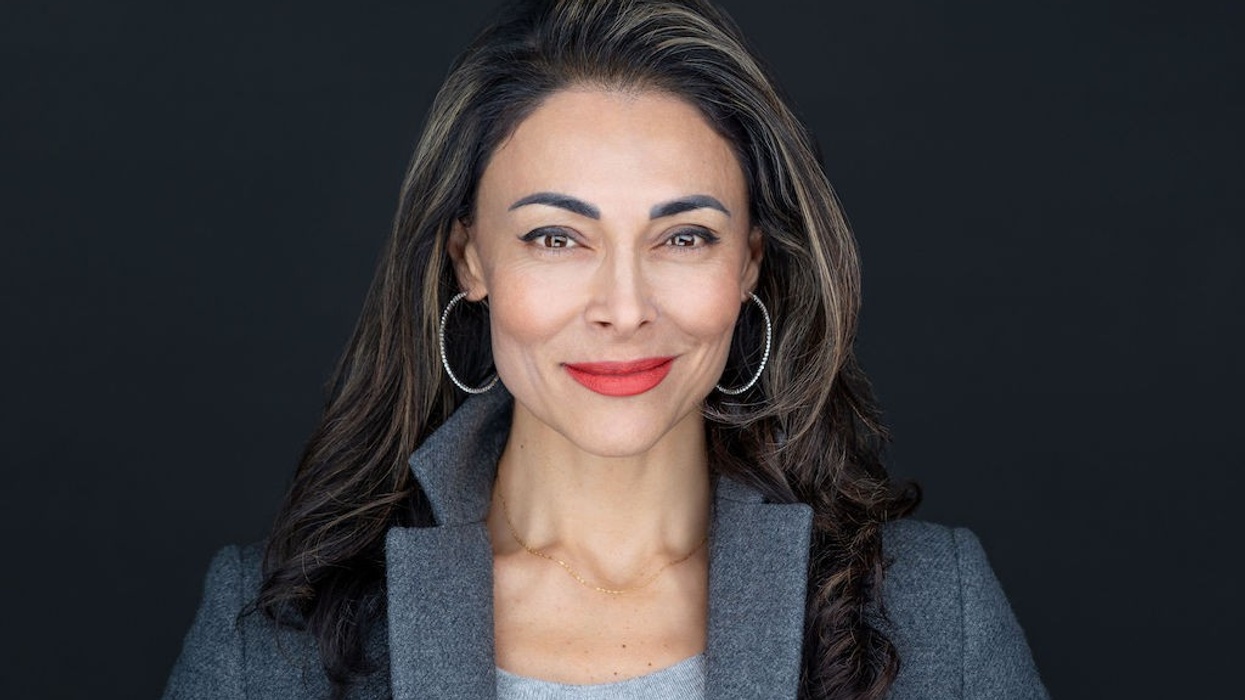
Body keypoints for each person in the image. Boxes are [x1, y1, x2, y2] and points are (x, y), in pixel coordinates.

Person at [164, 0, 1047, 698]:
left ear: (749, 263)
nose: (623, 309)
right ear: (469, 257)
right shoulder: (274, 637)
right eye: (556, 238)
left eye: (685, 238)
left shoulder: (932, 608)